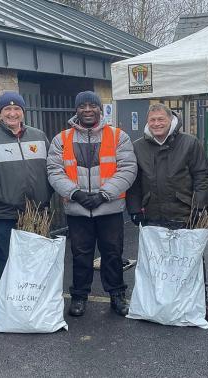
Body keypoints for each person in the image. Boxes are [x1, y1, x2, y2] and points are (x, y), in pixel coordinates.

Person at [126, 103, 208, 321]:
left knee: (190, 260)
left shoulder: (189, 143)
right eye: (153, 120)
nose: (157, 124)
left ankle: (201, 301)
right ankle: (160, 302)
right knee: (158, 263)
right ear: (147, 123)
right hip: (152, 212)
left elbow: (202, 175)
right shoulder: (138, 146)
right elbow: (134, 182)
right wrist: (134, 208)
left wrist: (199, 206)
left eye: (161, 119)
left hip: (184, 211)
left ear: (171, 120)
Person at [47, 91, 137, 317]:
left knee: (113, 254)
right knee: (80, 255)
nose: (87, 110)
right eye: (82, 106)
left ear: (100, 109)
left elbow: (128, 169)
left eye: (92, 105)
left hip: (109, 207)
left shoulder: (118, 136)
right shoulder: (62, 138)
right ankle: (79, 297)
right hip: (78, 209)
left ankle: (117, 295)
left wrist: (103, 195)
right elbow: (54, 171)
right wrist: (75, 193)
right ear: (76, 110)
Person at [0, 92, 51, 294]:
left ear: (23, 112)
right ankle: (4, 309)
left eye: (17, 109)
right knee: (3, 262)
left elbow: (52, 170)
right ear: (0, 113)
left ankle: (32, 306)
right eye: (7, 109)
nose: (12, 113)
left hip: (35, 214)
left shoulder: (39, 136)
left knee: (35, 262)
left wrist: (45, 197)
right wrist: (3, 197)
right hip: (2, 215)